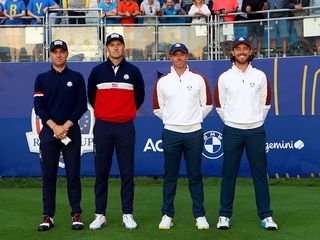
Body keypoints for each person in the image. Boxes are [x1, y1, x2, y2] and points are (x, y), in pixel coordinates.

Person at [214, 37, 278, 230]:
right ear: (232, 53)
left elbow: (266, 103)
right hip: (232, 130)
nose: (241, 52)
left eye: (245, 49)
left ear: (250, 52)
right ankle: (224, 216)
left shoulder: (259, 75)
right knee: (229, 174)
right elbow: (220, 105)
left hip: (255, 131)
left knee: (259, 174)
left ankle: (266, 216)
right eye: (238, 49)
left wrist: (255, 120)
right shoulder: (225, 77)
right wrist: (232, 121)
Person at [87, 33, 145, 230]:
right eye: (112, 45)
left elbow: (139, 97)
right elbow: (92, 97)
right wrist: (108, 112)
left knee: (127, 172)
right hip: (103, 126)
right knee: (101, 172)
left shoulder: (134, 71)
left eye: (118, 44)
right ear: (107, 48)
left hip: (125, 127)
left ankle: (127, 214)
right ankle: (99, 214)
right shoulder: (97, 72)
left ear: (123, 47)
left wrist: (123, 112)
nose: (115, 48)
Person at [153, 43, 213, 230]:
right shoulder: (163, 81)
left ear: (187, 56)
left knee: (195, 175)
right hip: (171, 133)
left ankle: (200, 215)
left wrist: (192, 119)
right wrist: (173, 120)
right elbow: (157, 108)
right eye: (175, 55)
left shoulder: (198, 79)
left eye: (182, 54)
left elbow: (207, 104)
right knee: (170, 176)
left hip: (194, 133)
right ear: (170, 57)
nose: (179, 58)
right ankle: (167, 215)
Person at [33, 39, 87, 231]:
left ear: (66, 54)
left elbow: (81, 105)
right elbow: (38, 106)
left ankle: (76, 214)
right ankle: (48, 216)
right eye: (55, 51)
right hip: (49, 133)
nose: (58, 55)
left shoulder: (77, 77)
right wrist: (55, 127)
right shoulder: (41, 78)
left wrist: (65, 125)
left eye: (61, 51)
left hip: (71, 132)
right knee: (49, 176)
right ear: (50, 55)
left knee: (73, 175)